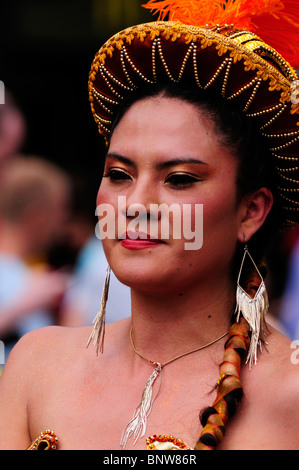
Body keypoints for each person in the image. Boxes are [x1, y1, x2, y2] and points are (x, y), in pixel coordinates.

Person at [0, 0, 299, 451]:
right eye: (119, 175)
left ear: (251, 211)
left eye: (179, 180)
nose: (135, 204)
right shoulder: (36, 365)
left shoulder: (290, 394)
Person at [0, 156, 71, 360]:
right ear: (38, 217)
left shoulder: (34, 277)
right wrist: (21, 307)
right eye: (60, 210)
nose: (63, 221)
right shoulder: (30, 288)